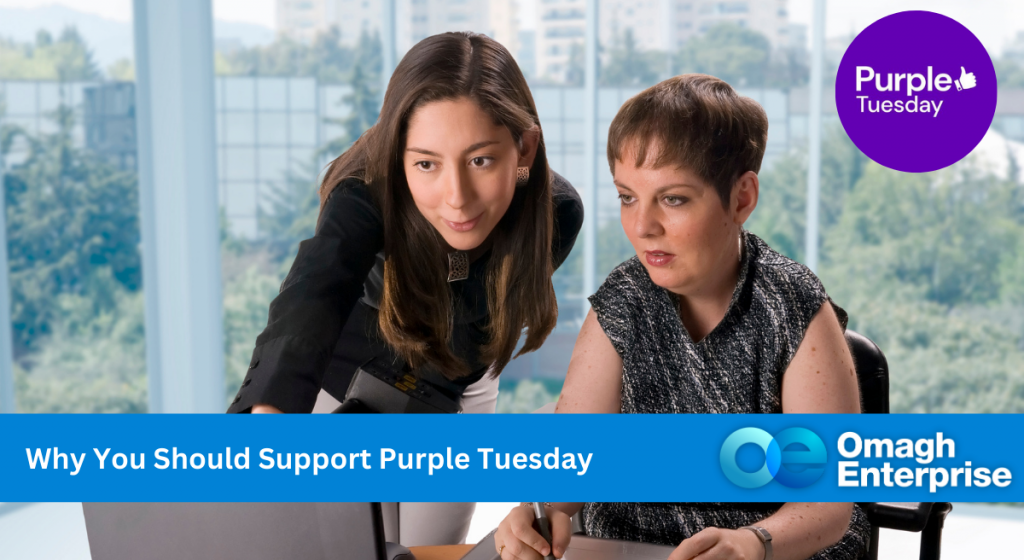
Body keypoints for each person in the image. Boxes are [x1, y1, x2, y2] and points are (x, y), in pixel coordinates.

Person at [226, 32, 583, 546]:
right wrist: (271, 422)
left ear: (523, 147)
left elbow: (476, 327)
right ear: (398, 157)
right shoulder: (362, 193)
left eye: (480, 160)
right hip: (347, 370)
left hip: (458, 381)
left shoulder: (557, 214)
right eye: (426, 164)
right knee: (344, 544)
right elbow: (315, 292)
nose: (456, 198)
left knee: (427, 551)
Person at [494, 74, 870, 560]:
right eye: (628, 197)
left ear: (741, 199)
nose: (643, 226)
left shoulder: (791, 305)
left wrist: (753, 544)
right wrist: (539, 511)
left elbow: (826, 504)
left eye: (673, 199)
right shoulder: (624, 299)